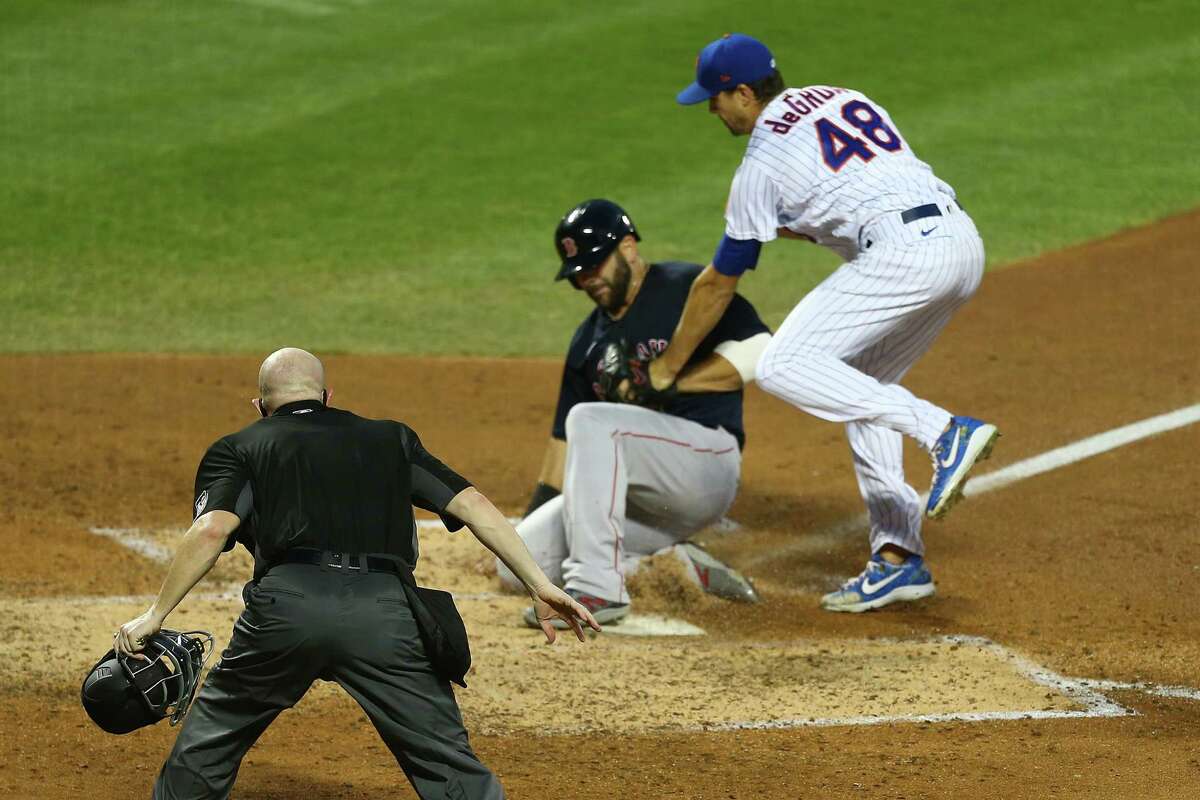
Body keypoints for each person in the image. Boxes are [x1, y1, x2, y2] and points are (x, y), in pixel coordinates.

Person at [114, 347, 599, 800]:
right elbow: (472, 504)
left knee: (215, 731)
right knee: (448, 764)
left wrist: (155, 614)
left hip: (287, 611)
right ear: (327, 397)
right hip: (385, 616)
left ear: (260, 405)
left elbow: (211, 530)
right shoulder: (391, 438)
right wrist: (539, 583)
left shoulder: (239, 446)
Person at [650, 34, 1000, 614]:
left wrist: (667, 366)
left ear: (742, 93)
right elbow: (849, 192)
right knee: (861, 383)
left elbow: (719, 281)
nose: (711, 110)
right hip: (960, 243)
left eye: (715, 99)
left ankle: (944, 432)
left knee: (784, 364)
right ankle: (897, 557)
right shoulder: (839, 98)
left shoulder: (760, 163)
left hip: (903, 254)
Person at [495, 199, 772, 628]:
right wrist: (532, 520)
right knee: (519, 564)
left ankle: (599, 589)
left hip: (705, 465)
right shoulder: (587, 342)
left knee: (593, 420)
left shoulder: (684, 289)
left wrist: (669, 381)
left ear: (627, 248)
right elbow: (561, 453)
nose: (588, 279)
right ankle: (678, 564)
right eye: (578, 273)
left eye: (595, 265)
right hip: (640, 503)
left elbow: (761, 353)